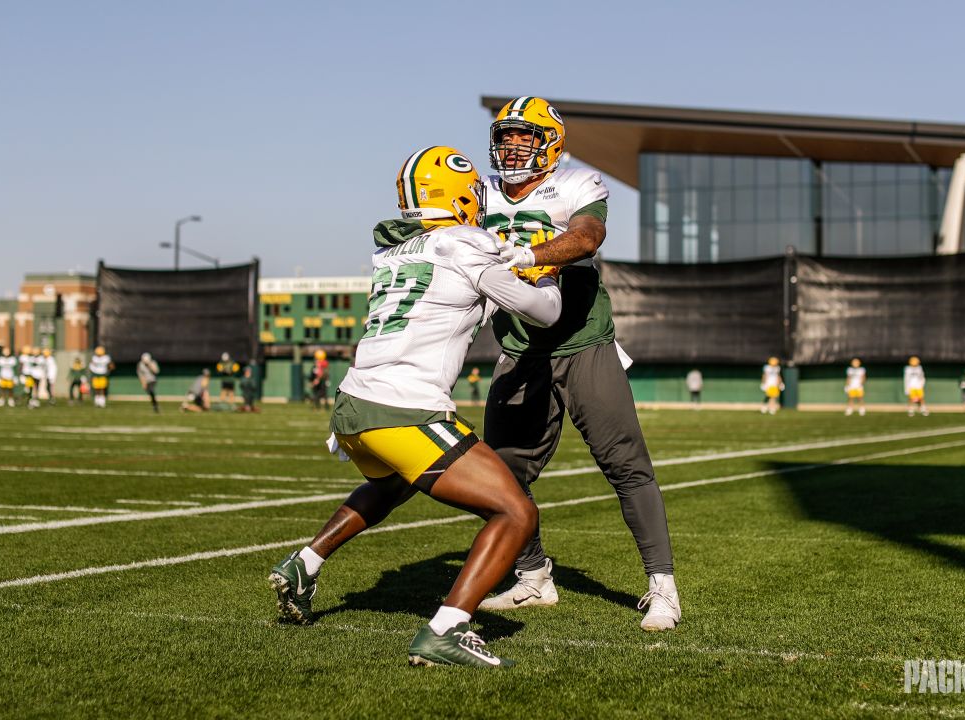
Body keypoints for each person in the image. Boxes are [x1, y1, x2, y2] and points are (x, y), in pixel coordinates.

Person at [268, 146, 559, 668]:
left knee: (393, 482)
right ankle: (447, 628)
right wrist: (546, 268)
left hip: (354, 404)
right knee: (515, 511)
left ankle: (305, 563)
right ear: (458, 196)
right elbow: (544, 312)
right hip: (405, 408)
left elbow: (457, 301)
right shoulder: (469, 244)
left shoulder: (394, 251)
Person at [470, 97, 679, 631]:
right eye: (506, 137)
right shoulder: (479, 193)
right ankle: (533, 575)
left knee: (626, 465)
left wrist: (529, 255)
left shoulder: (577, 184)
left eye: (524, 137)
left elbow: (587, 236)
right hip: (518, 350)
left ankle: (663, 586)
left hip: (583, 344)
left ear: (551, 143)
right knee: (499, 476)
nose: (511, 147)